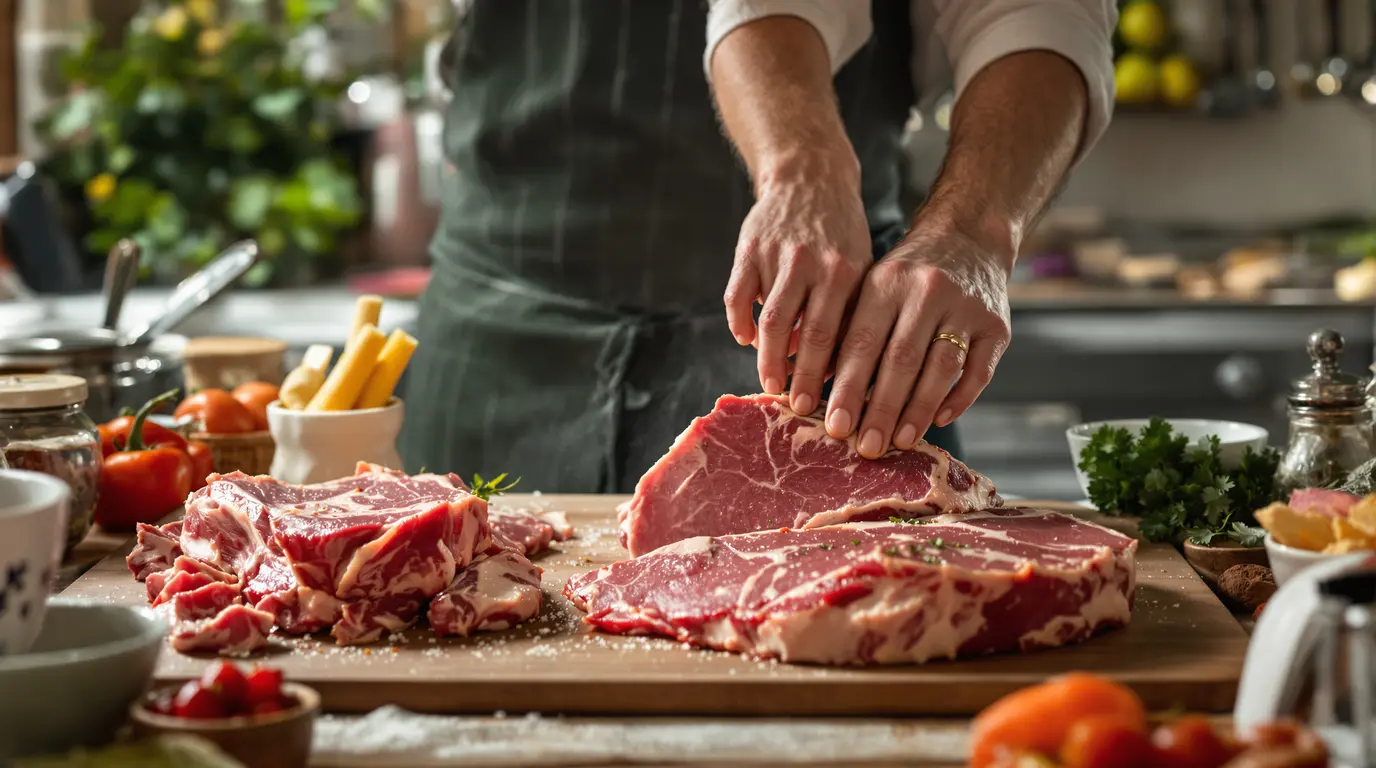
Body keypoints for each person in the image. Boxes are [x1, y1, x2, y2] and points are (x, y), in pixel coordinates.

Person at [400, 1, 1116, 492]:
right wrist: (802, 166)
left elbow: (1037, 13)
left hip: (827, 324)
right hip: (499, 335)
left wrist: (972, 233)